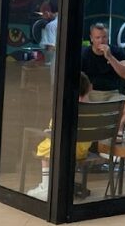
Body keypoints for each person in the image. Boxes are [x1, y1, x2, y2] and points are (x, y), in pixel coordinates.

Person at [81, 23, 125, 183]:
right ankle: (97, 148)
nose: (101, 40)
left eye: (104, 37)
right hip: (91, 94)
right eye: (97, 37)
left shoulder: (116, 52)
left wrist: (110, 57)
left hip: (112, 94)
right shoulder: (84, 54)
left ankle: (115, 136)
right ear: (91, 39)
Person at [27, 72, 94, 200]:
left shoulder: (65, 107)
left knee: (46, 146)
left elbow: (55, 128)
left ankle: (46, 187)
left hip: (62, 150)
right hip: (82, 151)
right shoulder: (92, 108)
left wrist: (48, 131)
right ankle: (61, 185)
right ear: (88, 88)